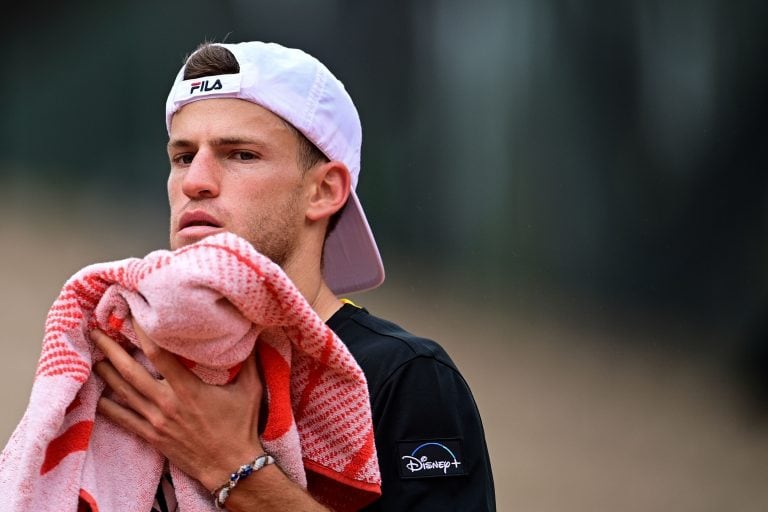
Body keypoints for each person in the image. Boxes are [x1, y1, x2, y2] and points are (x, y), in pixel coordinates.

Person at [90, 40, 495, 511]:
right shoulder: (127, 359)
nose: (194, 181)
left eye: (240, 154)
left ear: (324, 191)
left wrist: (233, 468)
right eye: (182, 156)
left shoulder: (405, 378)